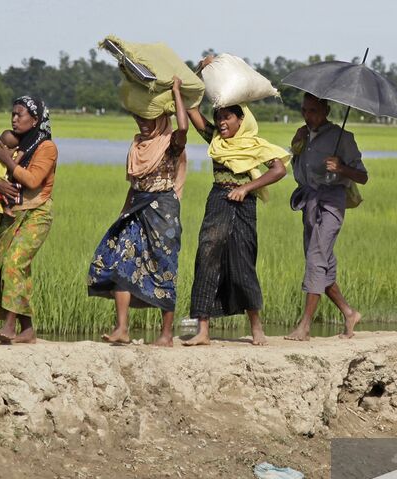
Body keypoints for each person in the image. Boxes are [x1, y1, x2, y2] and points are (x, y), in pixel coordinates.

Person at [181, 67, 291, 346]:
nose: (221, 122)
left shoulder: (255, 144)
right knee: (207, 255)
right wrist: (200, 72)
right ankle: (203, 330)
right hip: (218, 200)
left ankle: (256, 328)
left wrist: (246, 188)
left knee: (243, 260)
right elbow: (192, 109)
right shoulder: (215, 139)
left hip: (244, 205)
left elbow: (279, 169)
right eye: (218, 117)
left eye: (227, 117)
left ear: (241, 119)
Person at [88, 78, 190, 346]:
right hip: (136, 208)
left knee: (164, 267)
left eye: (148, 118)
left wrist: (176, 92)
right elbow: (134, 186)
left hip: (163, 211)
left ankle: (166, 334)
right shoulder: (137, 146)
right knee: (121, 260)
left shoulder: (170, 143)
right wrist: (122, 214)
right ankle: (122, 328)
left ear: (161, 119)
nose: (142, 123)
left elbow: (183, 127)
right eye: (139, 118)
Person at [284, 93, 368, 341]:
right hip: (309, 201)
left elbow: (363, 176)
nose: (307, 116)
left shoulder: (343, 138)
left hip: (332, 201)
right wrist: (295, 145)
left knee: (316, 257)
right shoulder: (303, 134)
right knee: (323, 262)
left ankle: (305, 326)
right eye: (304, 110)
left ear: (326, 111)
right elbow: (296, 166)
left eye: (313, 111)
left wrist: (341, 168)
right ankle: (349, 313)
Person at [0, 97, 58, 343]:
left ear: (36, 119)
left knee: (14, 262)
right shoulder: (14, 144)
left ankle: (10, 326)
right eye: (13, 114)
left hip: (37, 212)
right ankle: (27, 330)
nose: (14, 119)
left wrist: (7, 160)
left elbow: (32, 180)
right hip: (12, 213)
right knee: (5, 268)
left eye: (20, 114)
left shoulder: (46, 147)